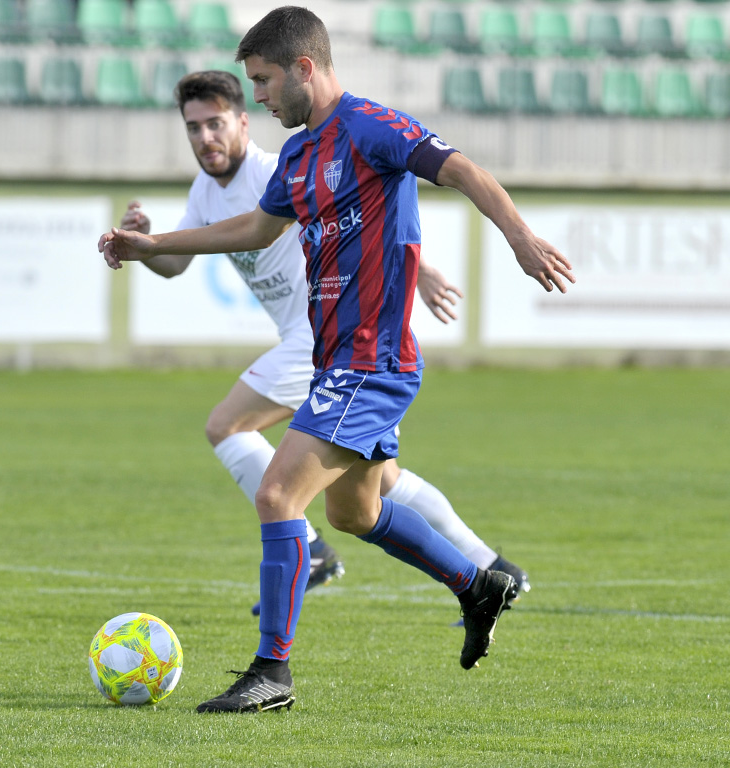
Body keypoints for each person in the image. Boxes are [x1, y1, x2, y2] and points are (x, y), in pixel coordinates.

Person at [99, 6, 575, 714]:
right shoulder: (295, 157)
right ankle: (479, 584)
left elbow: (463, 169)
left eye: (262, 82)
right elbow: (255, 227)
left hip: (370, 360)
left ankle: (272, 673)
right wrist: (154, 245)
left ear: (305, 68)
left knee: (276, 495)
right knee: (357, 512)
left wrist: (520, 238)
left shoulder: (371, 128)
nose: (258, 97)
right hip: (334, 361)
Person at [118, 69, 531, 620]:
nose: (205, 138)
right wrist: (148, 245)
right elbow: (176, 265)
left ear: (243, 121)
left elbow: (362, 204)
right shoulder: (204, 191)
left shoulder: (275, 167)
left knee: (227, 427)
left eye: (215, 123)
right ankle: (493, 570)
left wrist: (423, 270)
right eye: (193, 128)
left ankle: (307, 554)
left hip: (326, 339)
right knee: (380, 486)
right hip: (318, 346)